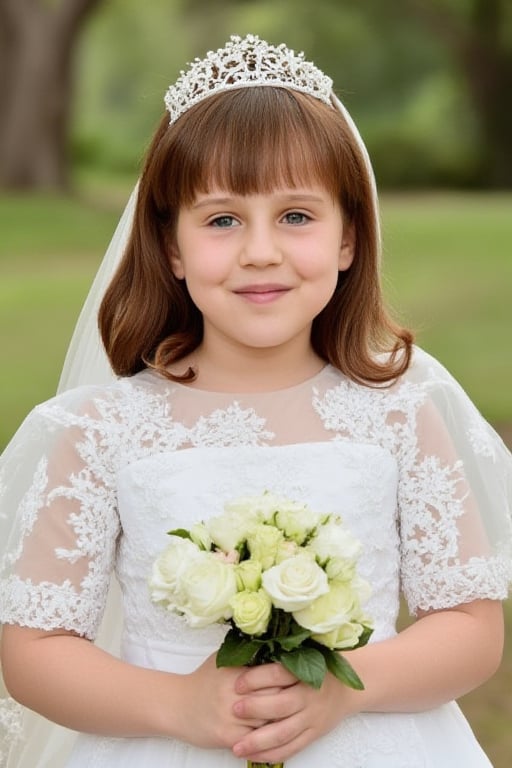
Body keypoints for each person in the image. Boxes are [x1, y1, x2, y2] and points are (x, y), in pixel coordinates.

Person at [0, 33, 511, 768]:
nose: (260, 251)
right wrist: (177, 705)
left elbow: (469, 625)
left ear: (348, 238)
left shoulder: (399, 409)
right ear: (171, 247)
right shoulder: (101, 430)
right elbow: (36, 651)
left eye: (297, 216)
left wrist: (348, 689)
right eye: (222, 220)